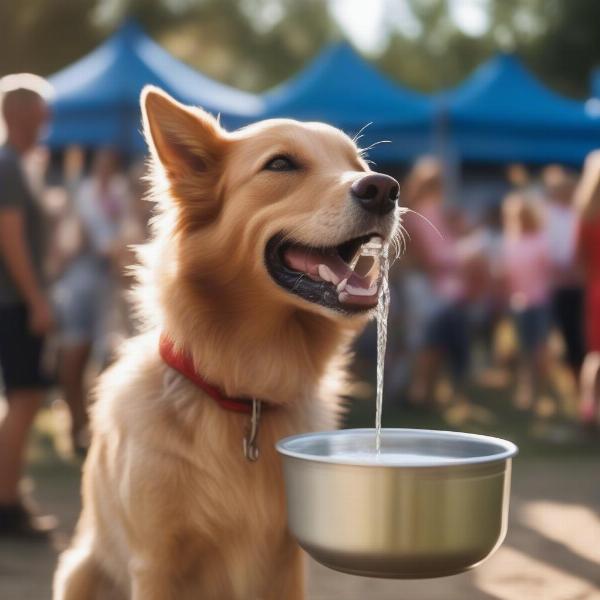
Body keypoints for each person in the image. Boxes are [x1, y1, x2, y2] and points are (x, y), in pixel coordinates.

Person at [0, 74, 56, 538]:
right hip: (14, 303)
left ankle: (8, 495)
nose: (46, 121)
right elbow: (10, 237)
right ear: (17, 114)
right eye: (40, 113)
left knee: (23, 398)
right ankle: (7, 503)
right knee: (25, 397)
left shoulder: (17, 164)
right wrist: (36, 299)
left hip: (14, 301)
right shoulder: (8, 166)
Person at [53, 148, 133, 453]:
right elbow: (66, 245)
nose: (105, 168)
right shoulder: (80, 195)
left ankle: (99, 430)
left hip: (113, 287)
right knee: (74, 357)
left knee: (108, 359)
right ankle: (77, 428)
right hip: (81, 283)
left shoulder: (122, 194)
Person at [501, 192, 552, 409]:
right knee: (529, 350)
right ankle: (532, 393)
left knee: (534, 350)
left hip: (532, 302)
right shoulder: (519, 242)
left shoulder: (530, 242)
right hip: (527, 302)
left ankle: (536, 393)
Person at [542, 165, 585, 377]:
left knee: (581, 335)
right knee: (568, 335)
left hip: (581, 282)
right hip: (560, 284)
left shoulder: (580, 213)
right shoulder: (547, 215)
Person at [575, 151, 600, 428]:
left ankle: (588, 410)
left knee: (594, 354)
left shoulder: (587, 214)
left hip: (595, 289)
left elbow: (579, 258)